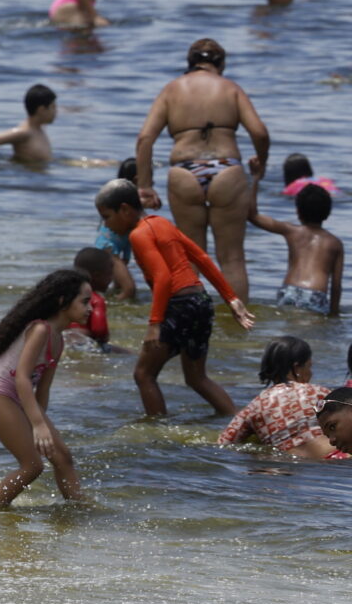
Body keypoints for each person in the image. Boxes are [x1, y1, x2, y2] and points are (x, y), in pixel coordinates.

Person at [99, 179, 254, 417]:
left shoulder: (138, 235)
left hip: (179, 306)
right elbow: (201, 258)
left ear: (125, 210)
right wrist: (231, 298)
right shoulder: (162, 223)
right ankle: (236, 421)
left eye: (107, 217)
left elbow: (163, 278)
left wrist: (154, 324)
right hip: (200, 302)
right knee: (196, 377)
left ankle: (158, 431)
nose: (106, 225)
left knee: (143, 374)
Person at [133, 39, 270, 298]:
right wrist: (261, 162)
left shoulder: (171, 90)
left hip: (185, 171)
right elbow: (260, 132)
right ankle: (237, 329)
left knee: (191, 257)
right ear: (222, 64)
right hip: (227, 170)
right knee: (232, 259)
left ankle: (192, 323)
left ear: (190, 63)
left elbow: (144, 139)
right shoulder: (231, 88)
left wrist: (145, 185)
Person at [0, 267, 92, 508]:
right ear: (62, 301)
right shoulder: (40, 329)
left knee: (62, 456)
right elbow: (21, 378)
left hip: (20, 399)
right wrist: (38, 425)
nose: (90, 308)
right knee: (33, 465)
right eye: (85, 302)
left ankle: (78, 509)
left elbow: (43, 390)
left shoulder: (58, 340)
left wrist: (42, 423)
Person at [218, 339, 345, 460]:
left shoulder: (254, 407)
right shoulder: (319, 392)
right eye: (309, 366)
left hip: (291, 466)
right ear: (297, 368)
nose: (311, 373)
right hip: (337, 456)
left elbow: (224, 443)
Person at [250, 182, 341, 315]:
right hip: (315, 294)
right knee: (311, 334)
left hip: (289, 290)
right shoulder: (335, 243)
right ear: (328, 213)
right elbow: (336, 286)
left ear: (298, 211)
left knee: (289, 328)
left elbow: (253, 216)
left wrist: (256, 178)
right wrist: (334, 315)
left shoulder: (292, 231)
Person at [0, 84, 58, 165]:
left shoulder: (40, 129)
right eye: (53, 107)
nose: (56, 112)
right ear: (41, 110)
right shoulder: (24, 133)